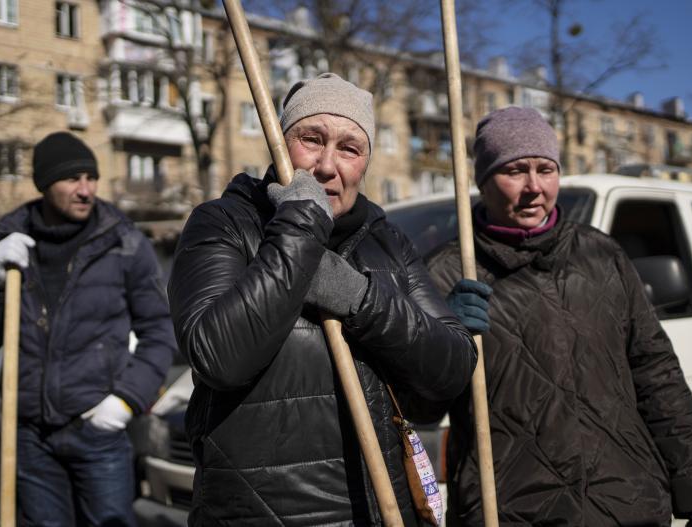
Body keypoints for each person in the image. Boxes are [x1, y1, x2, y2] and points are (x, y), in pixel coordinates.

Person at [167, 73, 477, 526]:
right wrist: (300, 228)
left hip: (381, 512)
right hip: (261, 514)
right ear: (279, 142)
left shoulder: (389, 243)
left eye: (350, 148)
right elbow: (218, 357)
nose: (328, 165)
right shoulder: (225, 224)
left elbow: (451, 370)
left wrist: (360, 299)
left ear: (366, 162)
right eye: (311, 139)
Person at [425, 106, 692, 526]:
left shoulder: (601, 255)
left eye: (546, 169)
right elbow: (418, 409)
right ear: (483, 180)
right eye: (515, 170)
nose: (534, 187)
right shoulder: (446, 273)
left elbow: (656, 373)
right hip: (513, 511)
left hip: (627, 502)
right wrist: (440, 341)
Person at [0, 132, 176, 526]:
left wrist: (125, 400)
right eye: (72, 179)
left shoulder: (123, 243)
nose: (85, 190)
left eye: (91, 178)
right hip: (28, 433)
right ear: (44, 184)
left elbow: (160, 330)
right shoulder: (8, 246)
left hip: (97, 428)